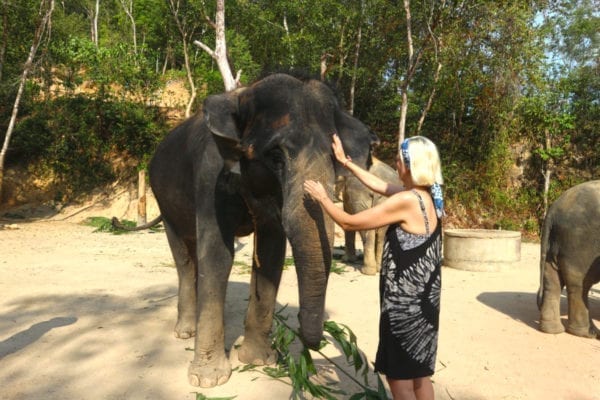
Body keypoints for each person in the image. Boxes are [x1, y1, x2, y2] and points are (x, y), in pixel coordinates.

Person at [303, 134, 444, 400]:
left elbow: (349, 223)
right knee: (419, 375)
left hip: (405, 307)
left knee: (399, 377)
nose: (396, 163)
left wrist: (323, 198)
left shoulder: (407, 201)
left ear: (412, 165)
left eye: (400, 159)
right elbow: (380, 185)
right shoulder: (428, 196)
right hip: (424, 304)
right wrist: (347, 162)